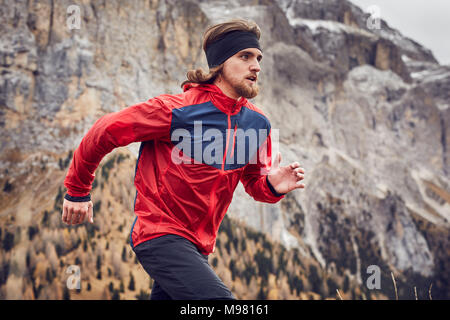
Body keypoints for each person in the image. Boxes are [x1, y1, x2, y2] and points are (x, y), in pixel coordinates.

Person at [62, 18, 305, 300]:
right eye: (245, 56)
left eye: (259, 58)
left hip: (199, 247)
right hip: (159, 236)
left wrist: (273, 186)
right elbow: (104, 130)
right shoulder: (175, 111)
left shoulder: (257, 123)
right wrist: (78, 191)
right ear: (221, 63)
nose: (256, 66)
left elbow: (253, 183)